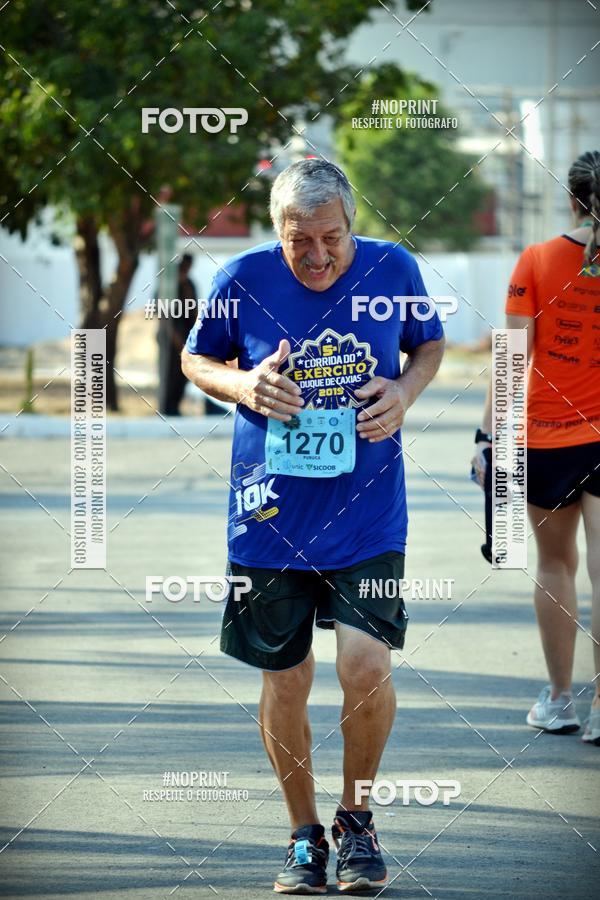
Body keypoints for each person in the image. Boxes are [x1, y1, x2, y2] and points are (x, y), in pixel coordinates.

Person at [182, 159, 445, 894]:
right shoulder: (242, 278)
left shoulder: (394, 270)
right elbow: (195, 357)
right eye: (303, 242)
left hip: (368, 515)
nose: (320, 256)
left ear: (352, 226)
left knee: (365, 667)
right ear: (279, 232)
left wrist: (405, 389)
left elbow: (428, 345)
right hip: (267, 517)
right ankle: (303, 836)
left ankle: (357, 821)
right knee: (286, 677)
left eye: (333, 238)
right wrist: (242, 383)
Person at [473, 150, 600, 747]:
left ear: (572, 198)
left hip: (546, 439)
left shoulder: (538, 260)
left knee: (555, 566)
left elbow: (509, 364)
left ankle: (560, 700)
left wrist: (487, 439)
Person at [157, 254, 197, 416]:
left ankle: (175, 406)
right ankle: (166, 408)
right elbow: (163, 317)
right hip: (168, 338)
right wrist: (176, 339)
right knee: (168, 373)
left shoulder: (189, 285)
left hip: (185, 338)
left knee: (183, 374)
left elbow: (194, 310)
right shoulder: (168, 286)